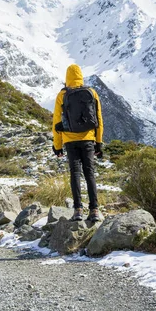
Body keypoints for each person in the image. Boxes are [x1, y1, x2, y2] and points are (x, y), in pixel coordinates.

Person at [52, 64, 103, 222]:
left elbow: (56, 122)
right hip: (88, 138)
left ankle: (78, 210)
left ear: (67, 77)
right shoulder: (91, 92)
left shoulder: (62, 95)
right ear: (81, 76)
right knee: (89, 173)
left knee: (75, 174)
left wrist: (58, 146)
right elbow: (99, 119)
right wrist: (98, 142)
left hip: (70, 140)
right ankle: (94, 210)